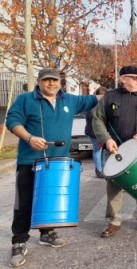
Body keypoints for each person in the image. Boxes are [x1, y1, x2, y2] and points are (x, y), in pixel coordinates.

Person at [5, 68, 99, 267]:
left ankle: (46, 233)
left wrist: (119, 90)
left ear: (60, 82)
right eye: (46, 80)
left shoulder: (70, 100)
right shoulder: (26, 100)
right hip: (29, 161)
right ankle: (19, 242)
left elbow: (95, 98)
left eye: (55, 81)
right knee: (23, 204)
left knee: (51, 201)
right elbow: (12, 121)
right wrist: (29, 138)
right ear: (38, 82)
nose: (51, 84)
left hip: (58, 163)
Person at [93, 66, 137, 238]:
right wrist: (106, 139)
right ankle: (114, 222)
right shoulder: (109, 97)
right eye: (135, 78)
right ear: (123, 79)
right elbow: (98, 120)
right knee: (114, 187)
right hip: (116, 150)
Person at [85, 86, 108, 178]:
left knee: (103, 151)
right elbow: (96, 119)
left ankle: (102, 168)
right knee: (98, 150)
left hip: (102, 133)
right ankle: (99, 170)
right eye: (101, 96)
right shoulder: (94, 107)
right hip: (94, 133)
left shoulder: (104, 105)